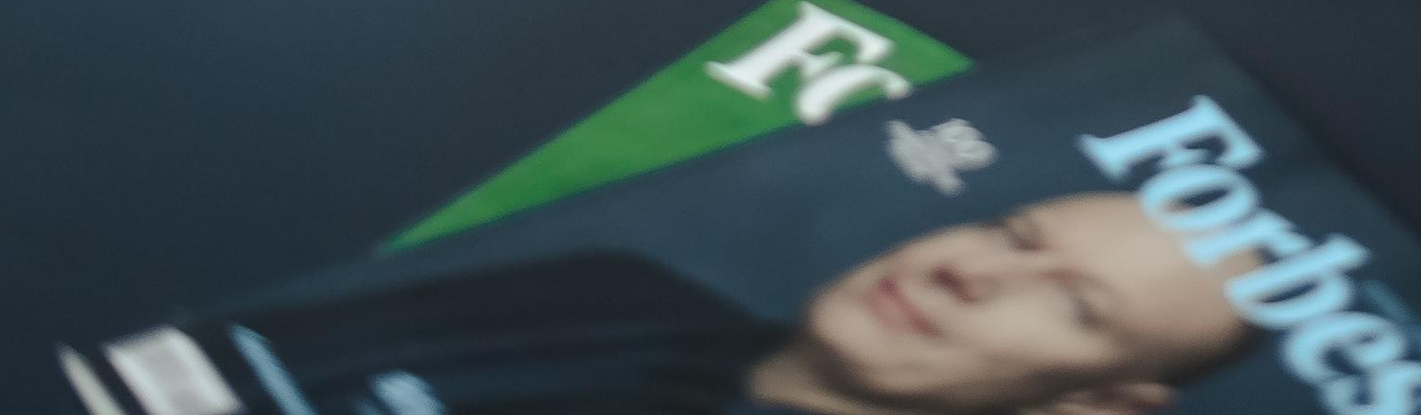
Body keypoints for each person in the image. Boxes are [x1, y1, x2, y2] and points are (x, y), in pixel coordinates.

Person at [136, 193, 1252, 414]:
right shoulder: (607, 290)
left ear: (1097, 407)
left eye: (1076, 306)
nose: (976, 271)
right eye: (1014, 234)